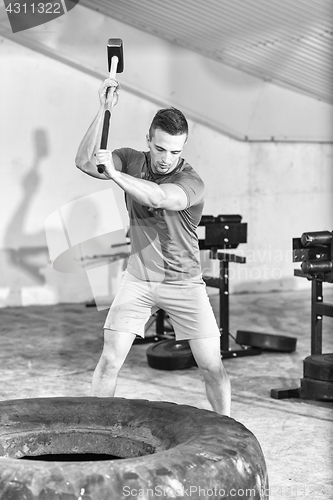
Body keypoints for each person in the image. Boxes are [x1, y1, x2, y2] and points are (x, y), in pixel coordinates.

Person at [75, 77, 231, 416]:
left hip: (184, 284)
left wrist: (114, 176)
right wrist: (103, 109)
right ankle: (94, 428)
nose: (166, 158)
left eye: (175, 151)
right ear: (149, 140)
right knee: (109, 360)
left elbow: (160, 197)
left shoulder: (191, 181)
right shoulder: (132, 159)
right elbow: (85, 162)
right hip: (139, 281)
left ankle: (229, 431)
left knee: (212, 367)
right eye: (160, 149)